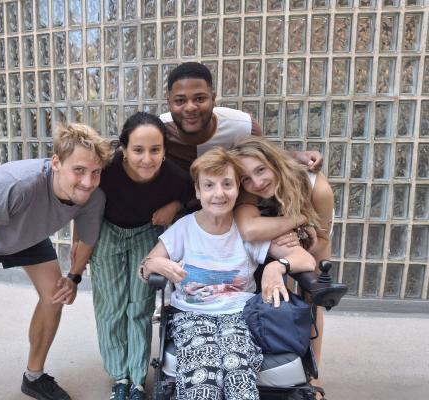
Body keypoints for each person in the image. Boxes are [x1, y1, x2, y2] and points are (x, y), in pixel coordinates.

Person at [0, 124, 113, 400]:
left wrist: (73, 278)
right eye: (79, 170)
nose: (88, 181)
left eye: (96, 172)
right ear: (56, 163)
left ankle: (34, 377)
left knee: (55, 295)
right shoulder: (18, 182)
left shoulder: (94, 196)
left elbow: (86, 240)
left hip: (29, 235)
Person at [138, 148, 316, 400]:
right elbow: (145, 267)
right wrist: (156, 264)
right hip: (190, 316)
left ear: (237, 189)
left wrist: (277, 266)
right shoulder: (184, 228)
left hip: (240, 317)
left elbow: (306, 259)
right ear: (198, 191)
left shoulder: (247, 232)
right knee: (203, 378)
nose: (219, 193)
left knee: (238, 373)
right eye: (209, 185)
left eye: (227, 184)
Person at [90, 112, 192, 400]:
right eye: (138, 150)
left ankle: (136, 379)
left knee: (140, 307)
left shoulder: (175, 176)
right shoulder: (107, 170)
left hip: (146, 232)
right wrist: (80, 245)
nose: (147, 159)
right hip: (108, 231)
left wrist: (175, 204)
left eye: (155, 150)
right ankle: (119, 376)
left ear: (164, 150)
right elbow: (84, 203)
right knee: (111, 305)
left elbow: (192, 195)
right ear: (124, 149)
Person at [232, 135, 334, 399]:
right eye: (246, 178)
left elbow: (323, 240)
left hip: (306, 243)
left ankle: (313, 374)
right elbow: (249, 229)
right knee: (275, 298)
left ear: (274, 161)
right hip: (270, 238)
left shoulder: (316, 187)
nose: (256, 182)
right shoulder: (248, 186)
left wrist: (304, 242)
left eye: (261, 170)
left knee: (312, 294)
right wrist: (298, 220)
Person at [160, 62, 322, 174]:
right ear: (169, 103)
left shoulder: (243, 127)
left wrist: (298, 156)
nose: (190, 108)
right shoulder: (159, 130)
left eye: (200, 98)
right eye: (180, 101)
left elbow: (264, 154)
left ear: (213, 98)